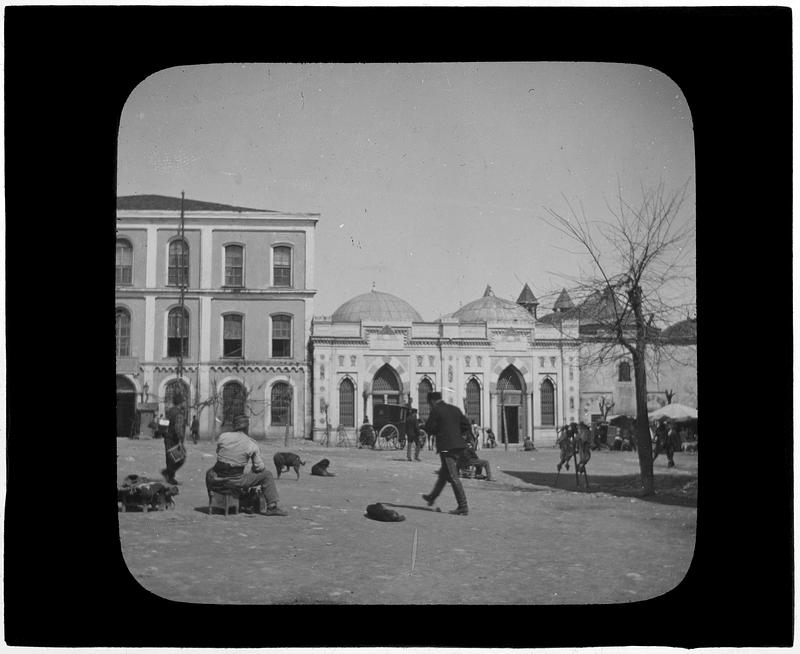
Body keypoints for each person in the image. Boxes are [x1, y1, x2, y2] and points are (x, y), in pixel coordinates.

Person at [205, 415, 288, 516]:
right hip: (236, 480)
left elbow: (219, 452)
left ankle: (215, 503)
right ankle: (272, 507)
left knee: (209, 472)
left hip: (218, 477)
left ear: (234, 426)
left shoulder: (223, 437)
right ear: (246, 427)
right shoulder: (251, 443)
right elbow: (259, 467)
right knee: (267, 475)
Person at [421, 391, 470, 516]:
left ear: (432, 401)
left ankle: (463, 506)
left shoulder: (436, 410)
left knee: (453, 477)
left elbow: (430, 428)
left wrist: (437, 430)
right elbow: (466, 425)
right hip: (459, 446)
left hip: (446, 447)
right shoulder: (455, 409)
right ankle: (432, 497)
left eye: (429, 404)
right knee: (444, 474)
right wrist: (456, 433)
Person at [161, 393, 187, 485]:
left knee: (170, 458)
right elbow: (178, 428)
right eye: (184, 402)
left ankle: (170, 476)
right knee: (181, 458)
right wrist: (180, 440)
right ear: (181, 403)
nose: (185, 404)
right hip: (174, 440)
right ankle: (169, 474)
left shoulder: (169, 411)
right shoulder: (179, 413)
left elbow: (163, 424)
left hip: (168, 438)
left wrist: (165, 434)